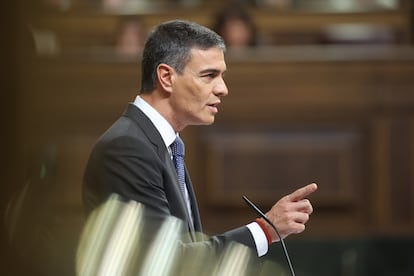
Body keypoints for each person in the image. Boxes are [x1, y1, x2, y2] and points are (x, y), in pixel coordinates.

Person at [83, 19, 317, 263]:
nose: (222, 89)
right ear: (166, 77)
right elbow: (163, 261)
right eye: (209, 75)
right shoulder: (127, 149)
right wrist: (265, 230)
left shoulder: (164, 144)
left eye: (221, 76)